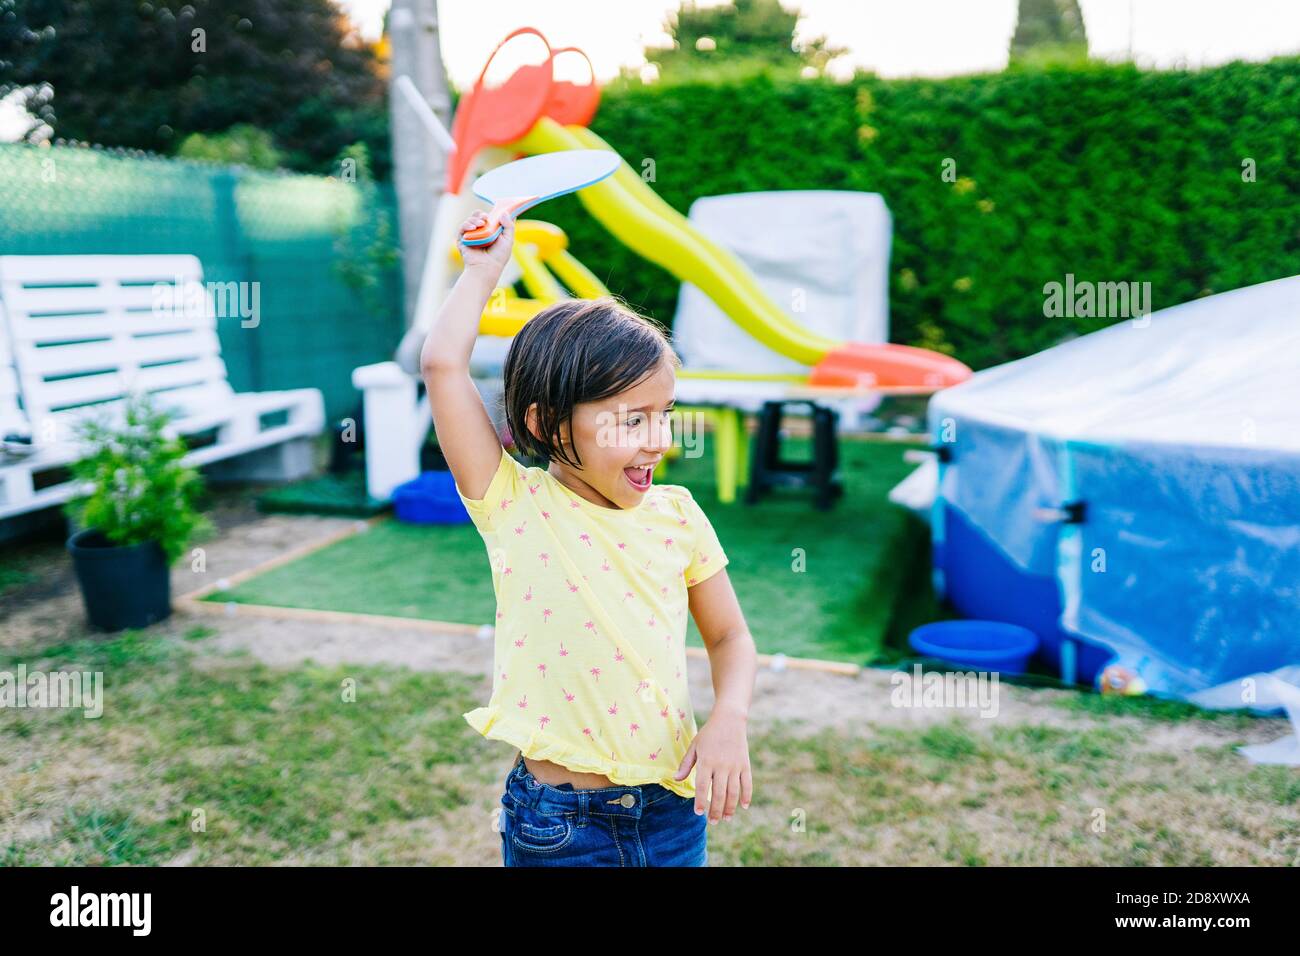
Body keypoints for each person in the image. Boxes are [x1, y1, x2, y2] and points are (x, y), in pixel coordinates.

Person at [421, 211, 758, 866]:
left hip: (670, 812)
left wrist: (730, 719)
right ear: (547, 422)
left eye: (663, 415)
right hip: (559, 825)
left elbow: (730, 637)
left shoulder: (679, 514)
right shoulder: (513, 504)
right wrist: (485, 272)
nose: (659, 439)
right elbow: (441, 364)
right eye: (632, 420)